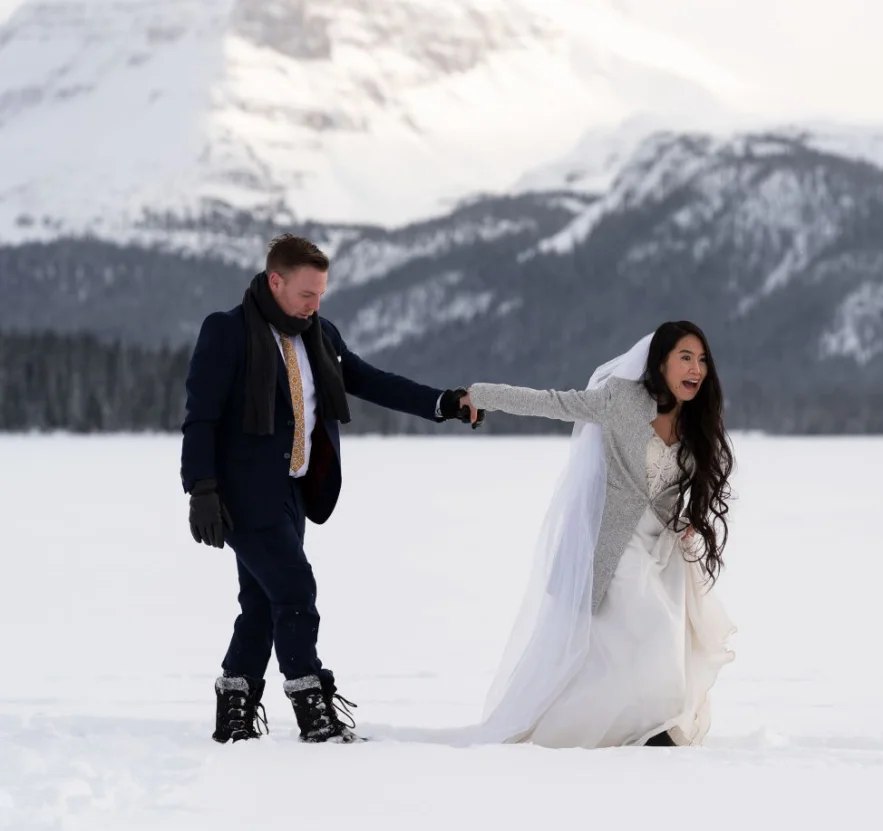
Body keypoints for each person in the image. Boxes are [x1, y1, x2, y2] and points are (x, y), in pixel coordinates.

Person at [180, 234, 479, 745]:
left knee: (261, 602)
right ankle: (312, 707)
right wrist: (201, 489)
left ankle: (233, 711)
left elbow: (371, 380)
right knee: (296, 589)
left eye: (321, 294)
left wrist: (443, 403)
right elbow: (200, 417)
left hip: (295, 493)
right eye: (306, 294)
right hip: (244, 495)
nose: (315, 305)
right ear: (275, 281)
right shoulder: (227, 331)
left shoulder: (321, 335)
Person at [446, 322, 737, 748]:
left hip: (664, 546)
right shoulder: (621, 401)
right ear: (660, 363)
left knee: (664, 640)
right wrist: (480, 394)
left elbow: (676, 488)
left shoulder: (696, 420)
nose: (696, 369)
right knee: (654, 627)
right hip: (618, 543)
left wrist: (689, 518)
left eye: (703, 360)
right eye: (686, 358)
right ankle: (641, 729)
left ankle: (654, 726)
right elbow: (550, 402)